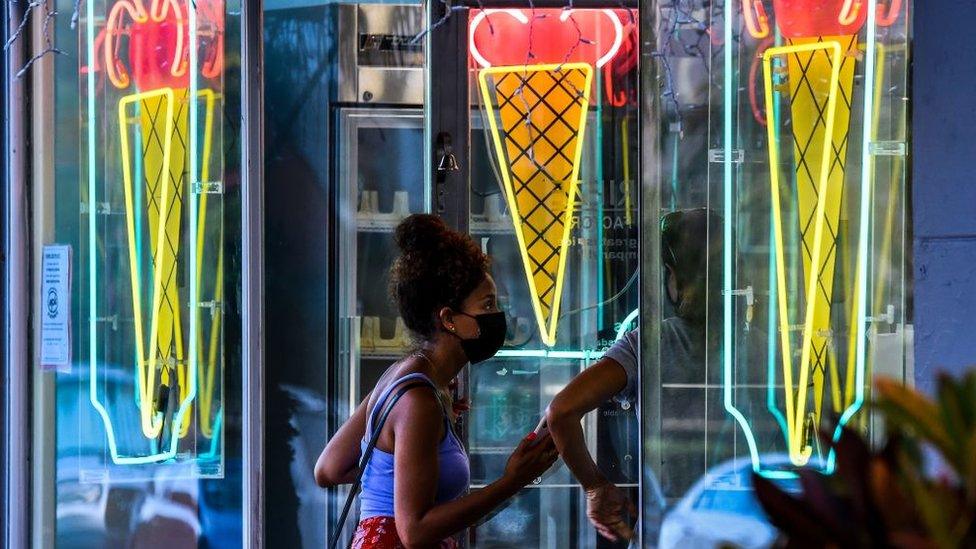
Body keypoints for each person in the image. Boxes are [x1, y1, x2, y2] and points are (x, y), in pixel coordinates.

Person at [316, 214, 559, 548]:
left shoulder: (402, 378)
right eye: (487, 304)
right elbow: (414, 532)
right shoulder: (419, 401)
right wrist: (511, 481)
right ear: (449, 319)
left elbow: (329, 468)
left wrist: (402, 472)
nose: (498, 315)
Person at [545, 208, 722, 542]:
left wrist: (596, 487)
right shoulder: (761, 346)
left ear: (670, 274)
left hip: (668, 535)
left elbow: (561, 411)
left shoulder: (650, 343)